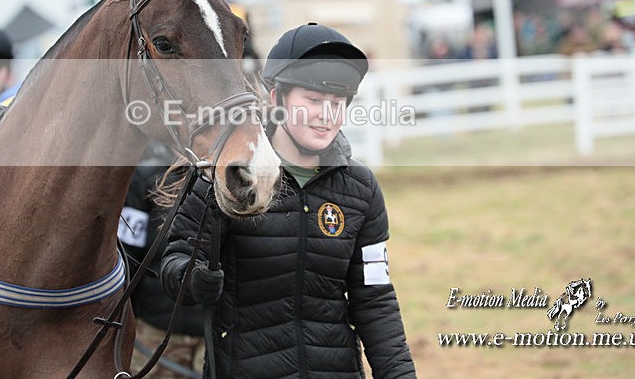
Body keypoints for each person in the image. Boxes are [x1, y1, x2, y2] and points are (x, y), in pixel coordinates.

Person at [161, 23, 417, 378]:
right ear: (276, 99)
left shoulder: (361, 189)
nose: (327, 115)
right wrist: (190, 279)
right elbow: (176, 259)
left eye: (337, 103)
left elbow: (375, 300)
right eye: (312, 101)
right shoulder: (230, 175)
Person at [120, 140, 205, 378]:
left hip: (215, 336)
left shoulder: (232, 177)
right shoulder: (147, 178)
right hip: (153, 337)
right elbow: (129, 257)